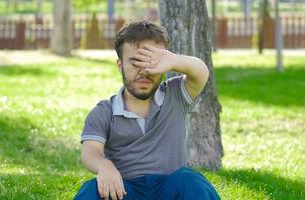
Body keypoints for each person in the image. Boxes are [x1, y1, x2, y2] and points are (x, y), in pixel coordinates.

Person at [74, 20, 221, 200]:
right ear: (120, 65)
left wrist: (174, 60)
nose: (144, 71)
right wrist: (104, 166)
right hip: (125, 191)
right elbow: (90, 152)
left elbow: (201, 73)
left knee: (190, 180)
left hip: (170, 190)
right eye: (136, 63)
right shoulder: (104, 112)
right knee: (92, 190)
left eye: (151, 62)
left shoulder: (176, 95)